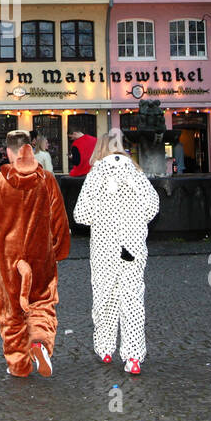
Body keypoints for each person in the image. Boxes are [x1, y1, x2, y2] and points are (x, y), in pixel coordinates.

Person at [0, 130, 71, 378]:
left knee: (12, 312)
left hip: (8, 257)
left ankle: (18, 364)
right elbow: (60, 221)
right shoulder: (47, 179)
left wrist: (1, 222)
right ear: (30, 149)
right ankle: (39, 342)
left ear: (8, 152)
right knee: (42, 303)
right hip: (41, 255)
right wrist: (58, 251)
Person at [74, 129, 160, 374]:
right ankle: (133, 357)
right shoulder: (137, 173)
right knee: (132, 299)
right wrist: (135, 223)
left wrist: (101, 219)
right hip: (132, 246)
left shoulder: (95, 174)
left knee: (105, 297)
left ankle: (105, 348)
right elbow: (152, 206)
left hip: (104, 246)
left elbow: (81, 214)